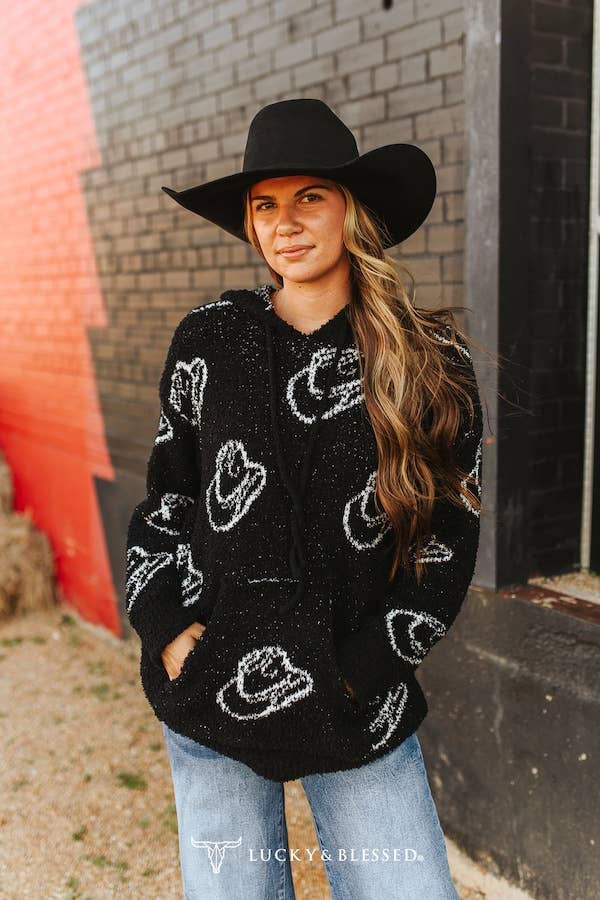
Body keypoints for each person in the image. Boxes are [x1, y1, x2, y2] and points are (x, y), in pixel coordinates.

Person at [125, 98, 484, 899]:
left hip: (356, 702)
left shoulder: (429, 359)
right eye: (264, 206)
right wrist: (169, 632)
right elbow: (167, 499)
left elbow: (447, 538)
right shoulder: (209, 339)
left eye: (309, 197)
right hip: (211, 684)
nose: (284, 223)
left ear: (352, 209)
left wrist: (357, 673)